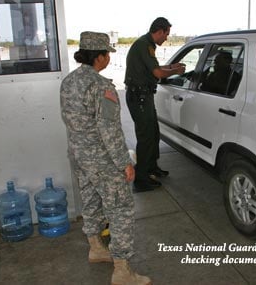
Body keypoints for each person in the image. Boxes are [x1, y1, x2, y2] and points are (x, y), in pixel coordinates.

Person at [60, 31, 151, 285]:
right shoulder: (101, 86)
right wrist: (125, 162)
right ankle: (122, 271)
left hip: (78, 155)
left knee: (90, 199)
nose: (109, 58)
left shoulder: (68, 81)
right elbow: (109, 130)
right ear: (99, 57)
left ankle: (96, 248)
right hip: (101, 159)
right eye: (107, 54)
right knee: (121, 209)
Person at [125, 17, 186, 192]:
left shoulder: (147, 45)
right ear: (159, 31)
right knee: (145, 137)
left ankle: (151, 167)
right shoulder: (145, 45)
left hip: (144, 97)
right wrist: (176, 70)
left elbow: (154, 68)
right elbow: (158, 72)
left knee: (153, 133)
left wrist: (172, 66)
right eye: (166, 34)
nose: (166, 38)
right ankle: (141, 179)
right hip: (139, 98)